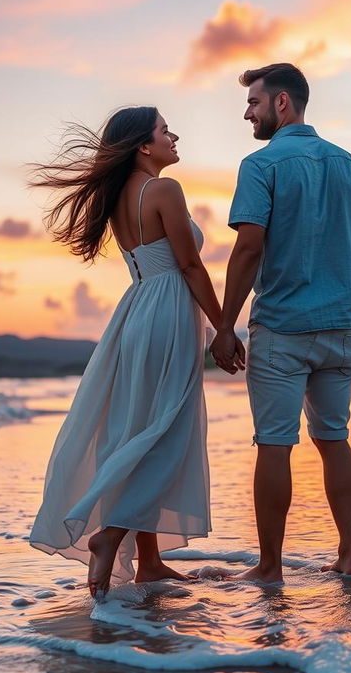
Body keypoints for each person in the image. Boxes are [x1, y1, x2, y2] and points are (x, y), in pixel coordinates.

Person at [28, 106, 243, 598]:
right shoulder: (164, 190)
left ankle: (149, 561)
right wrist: (223, 327)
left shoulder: (123, 195)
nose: (174, 136)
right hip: (168, 309)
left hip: (135, 312)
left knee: (143, 424)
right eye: (165, 130)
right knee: (167, 430)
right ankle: (111, 536)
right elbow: (189, 266)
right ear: (144, 145)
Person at [210, 64, 351, 583]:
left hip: (283, 330)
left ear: (282, 103)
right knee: (334, 438)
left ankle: (269, 567)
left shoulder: (261, 164)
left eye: (254, 103)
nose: (248, 112)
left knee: (274, 442)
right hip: (339, 328)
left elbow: (248, 247)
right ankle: (350, 556)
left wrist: (226, 325)